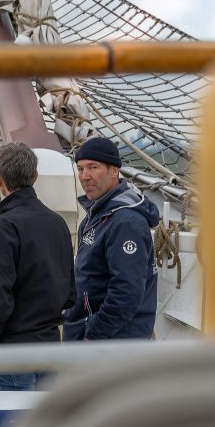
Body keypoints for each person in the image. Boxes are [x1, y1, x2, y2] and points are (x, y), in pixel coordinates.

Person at [0, 142, 75, 390]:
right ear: (35, 176)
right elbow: (69, 294)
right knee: (44, 416)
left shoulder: (4, 227)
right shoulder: (58, 224)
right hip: (49, 347)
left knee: (14, 416)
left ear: (0, 180)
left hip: (13, 351)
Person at [64, 136, 160, 341]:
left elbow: (126, 293)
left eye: (93, 167)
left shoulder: (126, 223)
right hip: (91, 337)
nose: (84, 176)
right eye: (80, 169)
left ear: (114, 171)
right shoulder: (96, 217)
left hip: (111, 345)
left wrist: (92, 335)